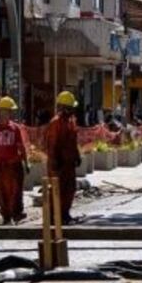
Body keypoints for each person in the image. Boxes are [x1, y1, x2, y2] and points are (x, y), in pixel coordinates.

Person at [0, 96, 28, 224]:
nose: (8, 114)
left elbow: (21, 147)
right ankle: (6, 216)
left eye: (10, 112)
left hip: (14, 165)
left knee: (17, 191)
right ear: (0, 112)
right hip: (1, 166)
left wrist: (26, 163)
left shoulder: (15, 128)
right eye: (7, 111)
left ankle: (16, 213)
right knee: (3, 191)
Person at [45, 90, 82, 224]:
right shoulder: (56, 123)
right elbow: (51, 144)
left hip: (69, 164)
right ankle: (54, 217)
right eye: (70, 107)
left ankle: (65, 214)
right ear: (65, 108)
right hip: (59, 165)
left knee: (69, 189)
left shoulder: (71, 121)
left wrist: (77, 155)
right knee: (57, 191)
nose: (72, 110)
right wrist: (55, 161)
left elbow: (73, 141)